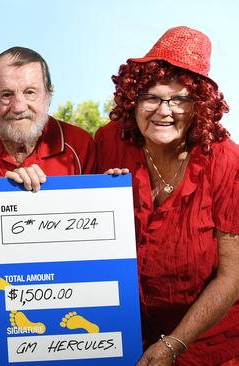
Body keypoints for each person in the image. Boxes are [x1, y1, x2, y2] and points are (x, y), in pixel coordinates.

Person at [95, 26, 239, 365]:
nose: (164, 110)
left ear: (199, 108)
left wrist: (173, 345)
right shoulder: (108, 143)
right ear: (133, 100)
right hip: (124, 338)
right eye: (152, 97)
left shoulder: (227, 161)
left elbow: (232, 276)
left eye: (179, 99)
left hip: (207, 342)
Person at [0, 47, 96, 191]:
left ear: (48, 95)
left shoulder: (80, 144)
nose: (19, 107)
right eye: (7, 95)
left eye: (30, 92)